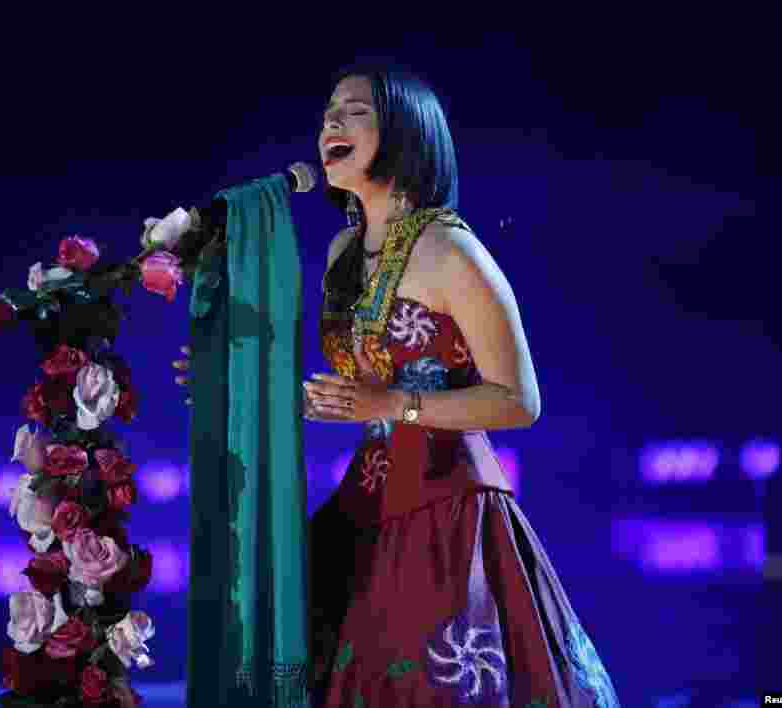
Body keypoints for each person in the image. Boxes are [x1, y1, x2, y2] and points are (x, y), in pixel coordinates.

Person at [173, 65, 620, 708]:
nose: (330, 121)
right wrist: (235, 386)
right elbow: (352, 394)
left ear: (406, 134)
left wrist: (395, 405)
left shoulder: (450, 249)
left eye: (354, 110)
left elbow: (520, 400)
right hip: (368, 506)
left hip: (449, 511)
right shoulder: (341, 255)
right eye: (328, 110)